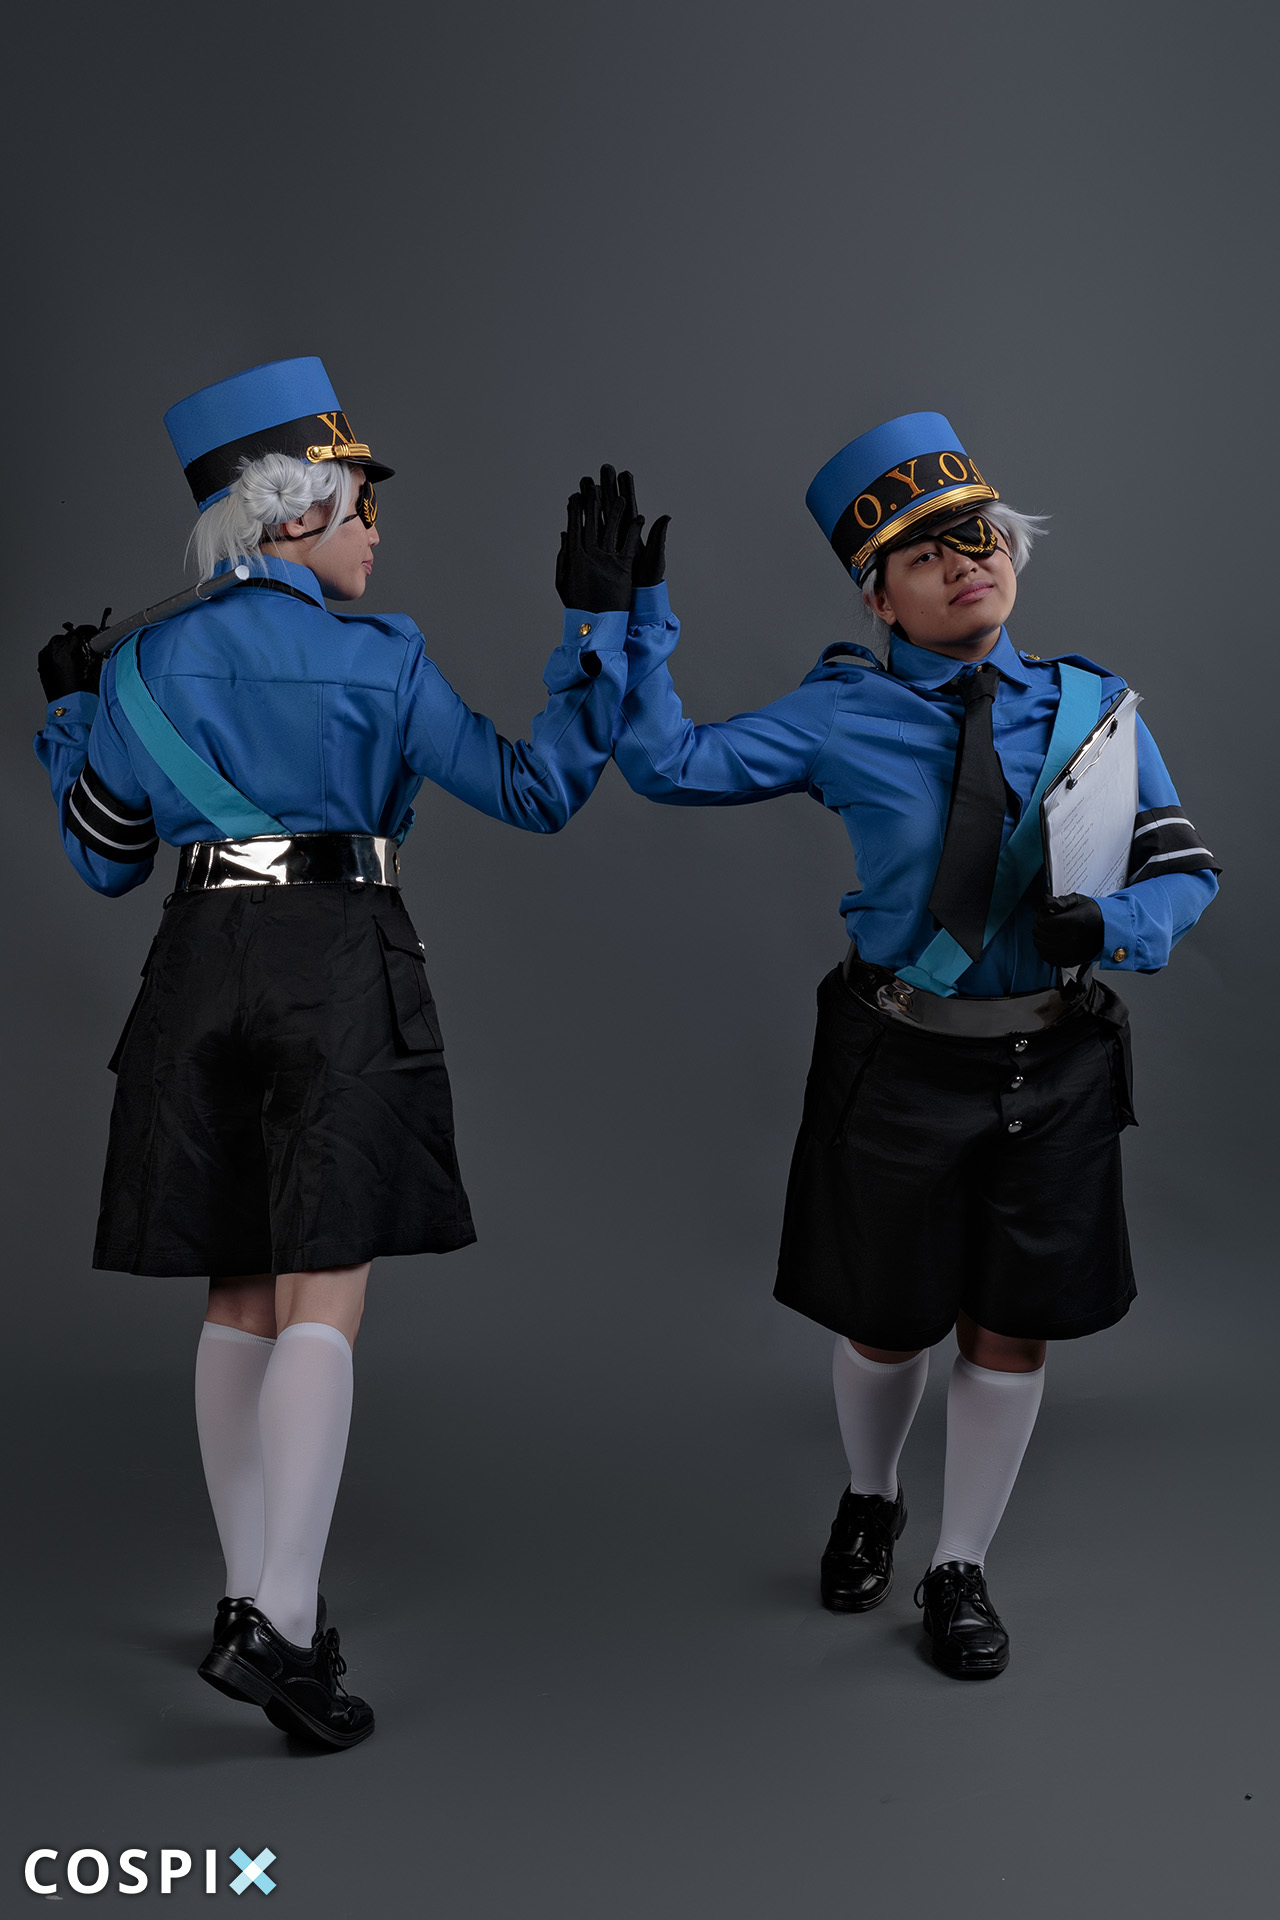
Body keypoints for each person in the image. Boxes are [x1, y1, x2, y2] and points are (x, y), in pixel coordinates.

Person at [34, 357, 645, 1746]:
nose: (377, 528)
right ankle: (285, 1624)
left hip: (197, 967)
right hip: (338, 963)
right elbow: (537, 790)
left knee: (240, 1290)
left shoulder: (145, 664)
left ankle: (245, 1594)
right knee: (323, 1292)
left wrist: (72, 710)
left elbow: (101, 860)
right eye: (362, 502)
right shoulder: (386, 657)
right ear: (295, 512)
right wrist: (596, 629)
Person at [608, 414, 1219, 1678]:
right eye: (924, 554)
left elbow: (1181, 863)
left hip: (1050, 1065)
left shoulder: (1095, 711)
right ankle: (870, 1494)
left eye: (977, 539)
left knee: (1009, 1326)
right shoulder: (841, 713)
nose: (963, 564)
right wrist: (630, 621)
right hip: (898, 1060)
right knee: (884, 1323)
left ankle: (957, 1563)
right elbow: (666, 765)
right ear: (877, 598)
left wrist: (1111, 924)